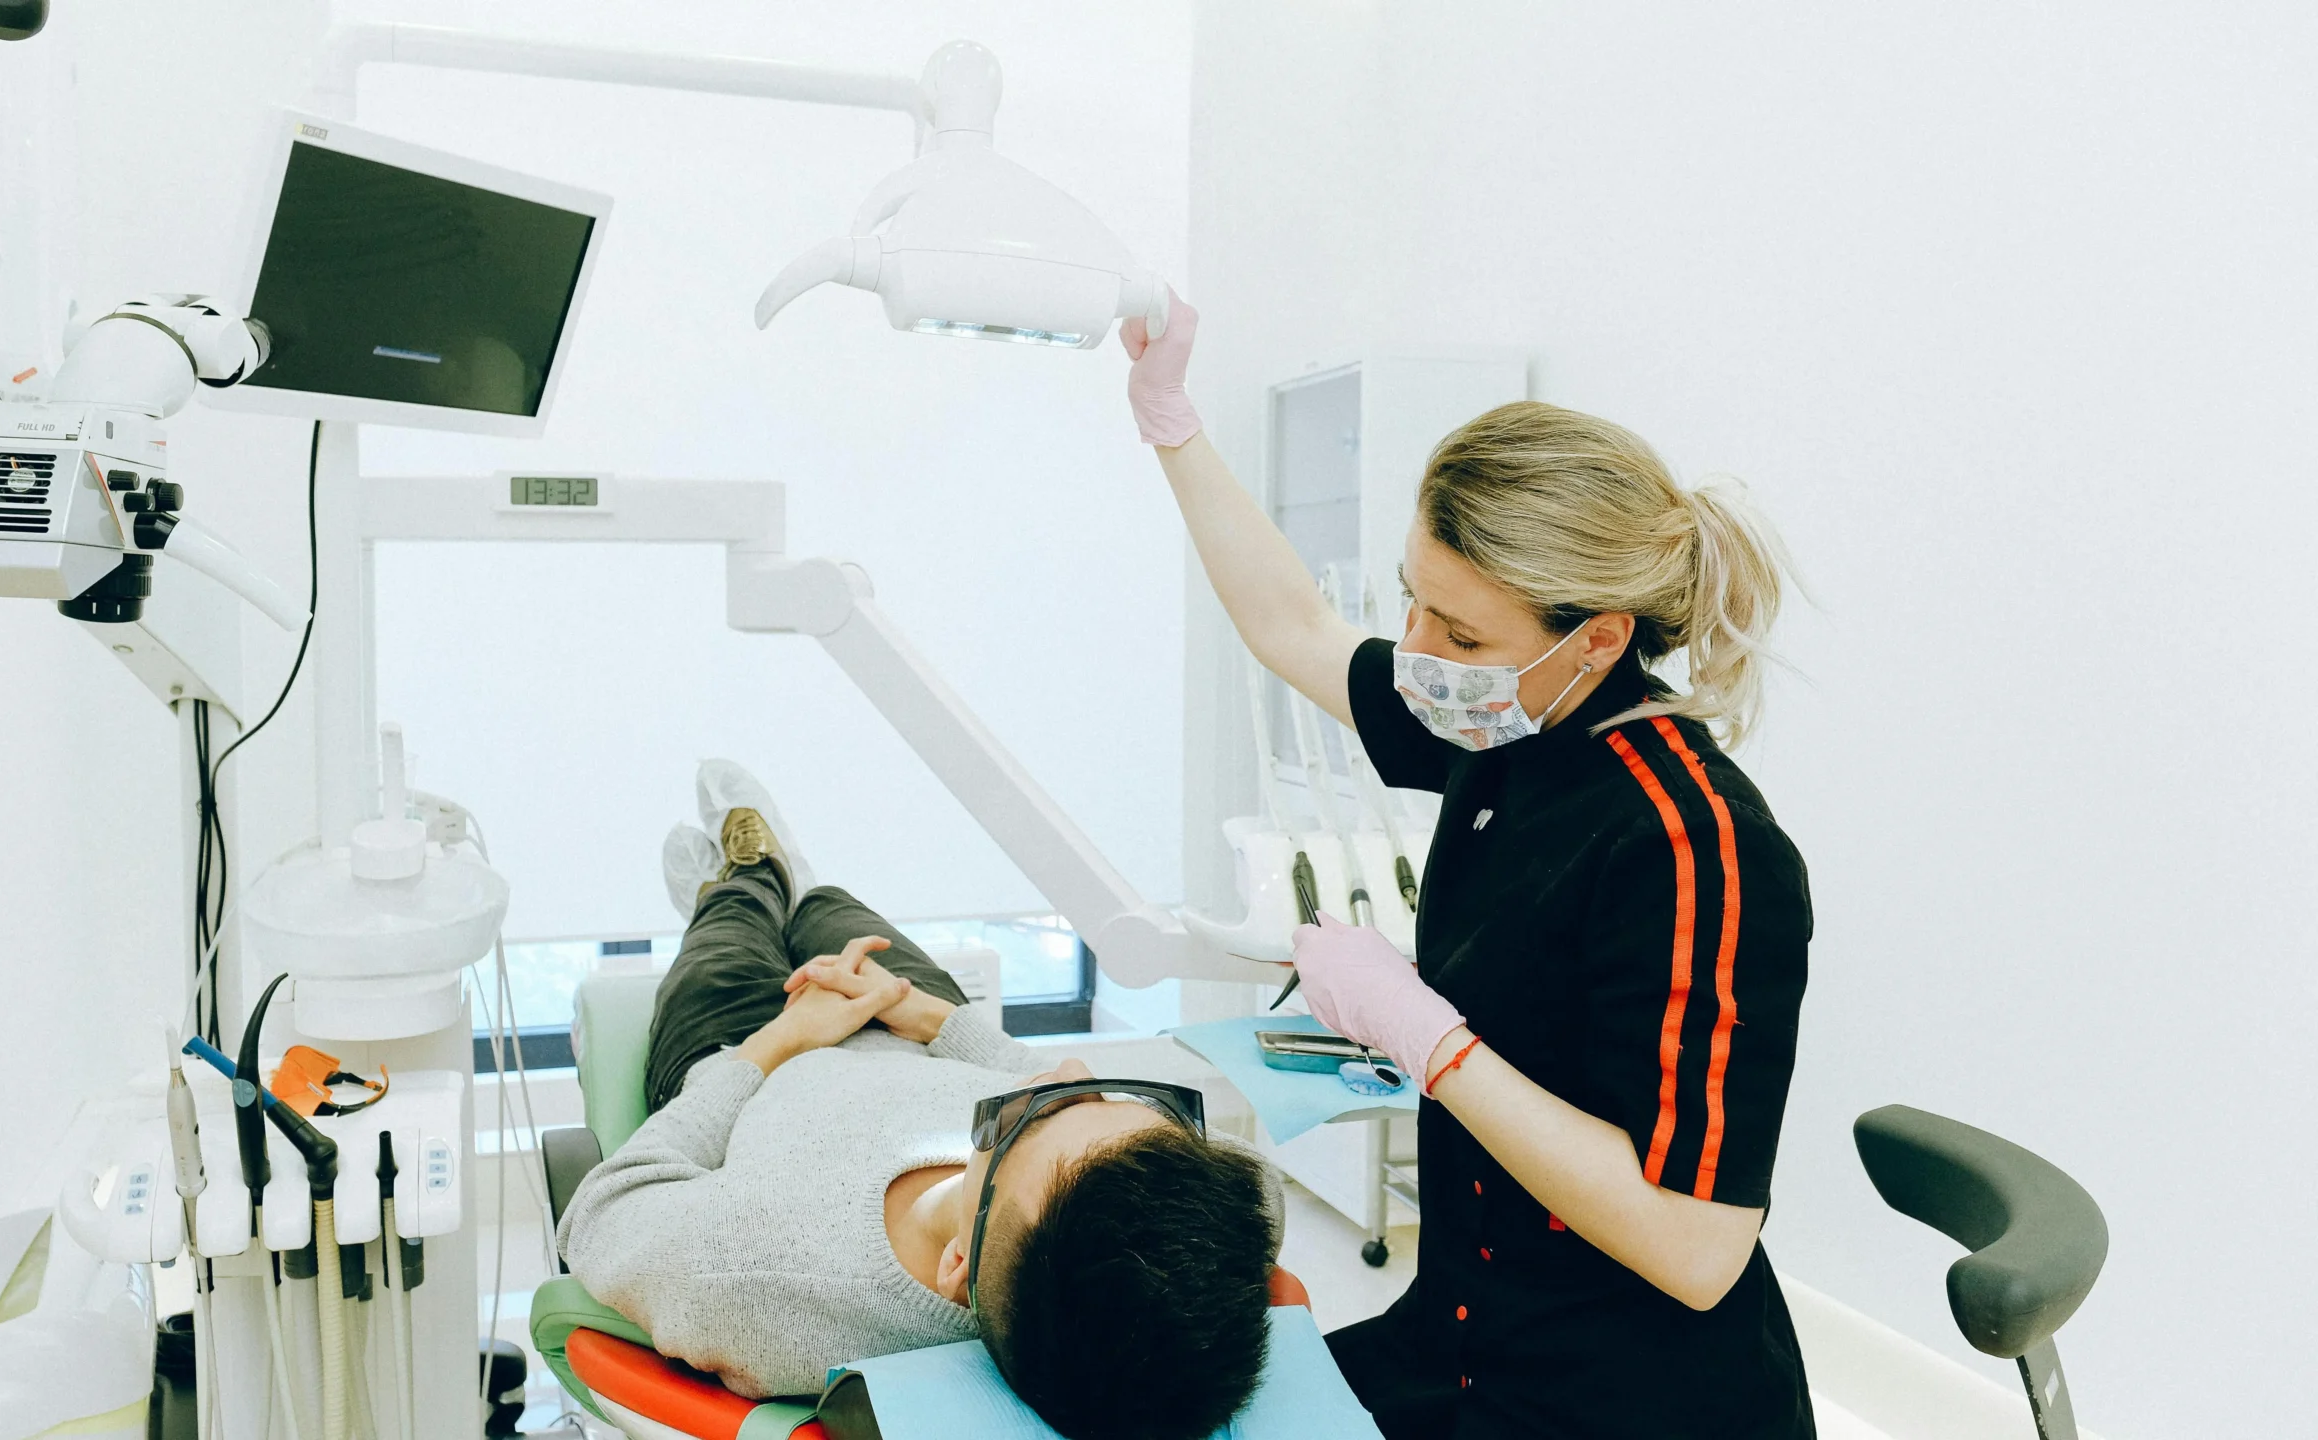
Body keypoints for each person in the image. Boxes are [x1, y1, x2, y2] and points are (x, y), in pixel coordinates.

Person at [1120, 300, 1817, 1439]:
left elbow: (1696, 1249)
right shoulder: (1506, 727)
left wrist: (1430, 1041)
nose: (1417, 651)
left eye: (1458, 631)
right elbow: (1292, 623)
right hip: (1460, 1338)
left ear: (1595, 639)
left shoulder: (1696, 849)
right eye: (1413, 600)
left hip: (1627, 1399)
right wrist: (1172, 426)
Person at [555, 760, 1284, 1440]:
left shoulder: (751, 1275)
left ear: (959, 1264)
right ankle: (799, 882)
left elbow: (598, 1214)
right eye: (1109, 1096)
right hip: (911, 1026)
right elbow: (1259, 1184)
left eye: (1031, 1111)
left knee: (733, 922)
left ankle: (742, 877)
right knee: (833, 910)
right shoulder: (1158, 1242)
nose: (1059, 1065)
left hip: (743, 1042)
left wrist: (780, 1040)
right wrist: (935, 1020)